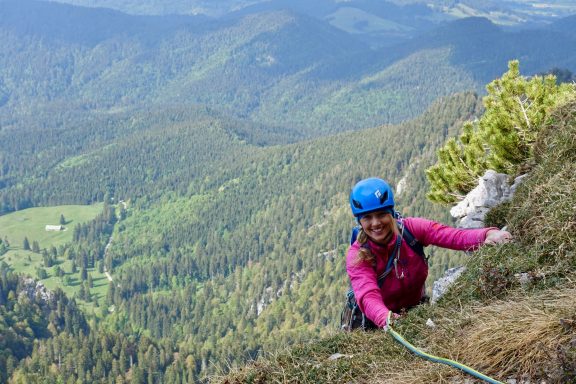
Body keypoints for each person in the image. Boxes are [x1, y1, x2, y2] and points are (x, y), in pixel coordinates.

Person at [346, 177, 512, 329]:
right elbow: (368, 295)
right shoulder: (358, 255)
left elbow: (452, 236)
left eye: (381, 214)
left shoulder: (411, 231)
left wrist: (487, 235)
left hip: (415, 310)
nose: (375, 223)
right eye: (367, 217)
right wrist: (387, 319)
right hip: (374, 323)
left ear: (391, 213)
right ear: (359, 221)